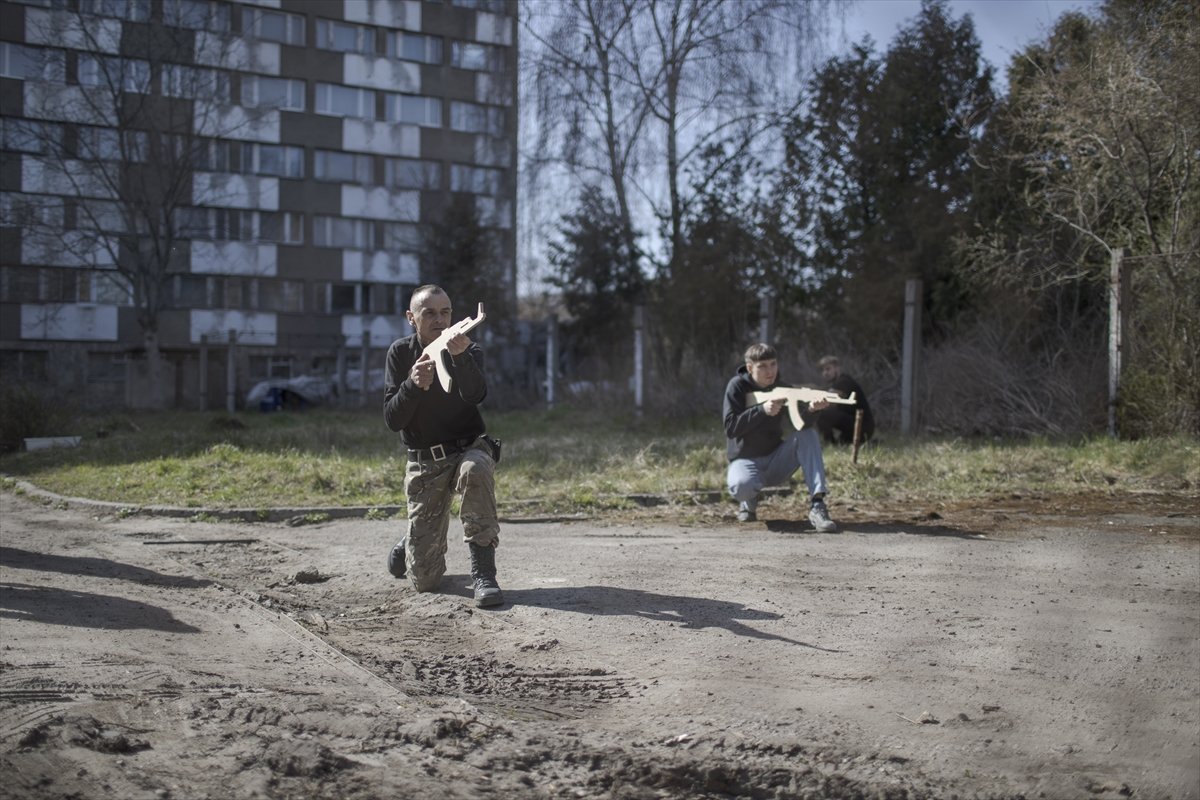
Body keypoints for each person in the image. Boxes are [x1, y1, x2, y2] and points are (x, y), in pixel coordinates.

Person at [383, 285, 504, 608]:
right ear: (412, 317)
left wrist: (461, 358)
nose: (440, 320)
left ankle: (484, 574)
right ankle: (412, 541)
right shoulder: (400, 353)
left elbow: (477, 395)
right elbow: (393, 420)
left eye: (446, 311)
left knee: (476, 469)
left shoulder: (467, 348)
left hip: (468, 448)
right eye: (430, 313)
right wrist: (412, 386)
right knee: (426, 581)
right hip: (425, 462)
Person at [723, 343, 838, 532]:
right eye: (763, 366)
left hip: (776, 461)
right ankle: (748, 502)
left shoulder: (781, 387)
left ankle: (818, 505)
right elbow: (730, 428)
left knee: (808, 434)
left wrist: (811, 409)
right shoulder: (737, 386)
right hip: (745, 462)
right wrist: (762, 410)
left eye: (773, 364)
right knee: (741, 486)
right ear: (750, 367)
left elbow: (799, 424)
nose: (770, 371)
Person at [816, 355, 874, 446]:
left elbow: (829, 401)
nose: (825, 373)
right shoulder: (839, 382)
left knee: (821, 412)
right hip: (858, 426)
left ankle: (829, 444)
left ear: (837, 368)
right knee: (842, 444)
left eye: (828, 369)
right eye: (823, 370)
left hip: (862, 427)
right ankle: (835, 443)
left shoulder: (844, 382)